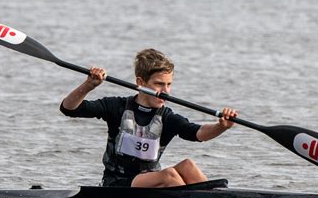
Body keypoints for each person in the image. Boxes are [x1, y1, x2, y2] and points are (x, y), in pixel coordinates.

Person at [60, 49, 238, 188]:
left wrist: (222, 126)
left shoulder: (167, 117)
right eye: (159, 84)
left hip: (151, 182)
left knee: (187, 166)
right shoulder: (116, 107)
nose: (166, 91)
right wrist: (89, 85)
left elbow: (199, 134)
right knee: (169, 175)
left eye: (169, 84)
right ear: (140, 82)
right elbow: (69, 108)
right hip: (117, 183)